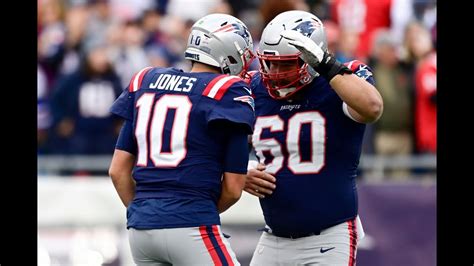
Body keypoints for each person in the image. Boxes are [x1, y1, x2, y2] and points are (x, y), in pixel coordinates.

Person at [108, 13, 256, 265]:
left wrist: (147, 213)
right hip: (192, 223)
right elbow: (232, 189)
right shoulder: (227, 90)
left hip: (141, 231)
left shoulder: (146, 80)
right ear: (228, 51)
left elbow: (117, 171)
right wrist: (190, 213)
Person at [244, 10, 383, 265]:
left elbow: (372, 107)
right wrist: (240, 171)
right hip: (273, 238)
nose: (275, 72)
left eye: (286, 63)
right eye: (270, 62)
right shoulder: (254, 86)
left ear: (312, 57)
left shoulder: (342, 79)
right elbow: (212, 140)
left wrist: (327, 65)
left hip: (329, 237)